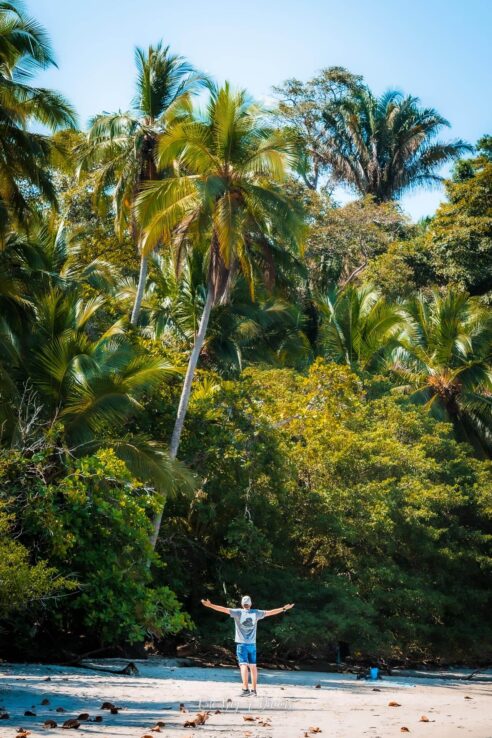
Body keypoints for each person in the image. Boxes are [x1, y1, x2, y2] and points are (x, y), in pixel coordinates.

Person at [201, 595, 295, 696]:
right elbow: (271, 612)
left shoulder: (237, 612)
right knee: (253, 667)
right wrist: (284, 608)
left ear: (242, 604)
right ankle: (254, 691)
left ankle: (245, 689)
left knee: (243, 665)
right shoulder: (256, 613)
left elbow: (223, 609)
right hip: (252, 645)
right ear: (250, 604)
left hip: (242, 644)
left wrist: (210, 605)